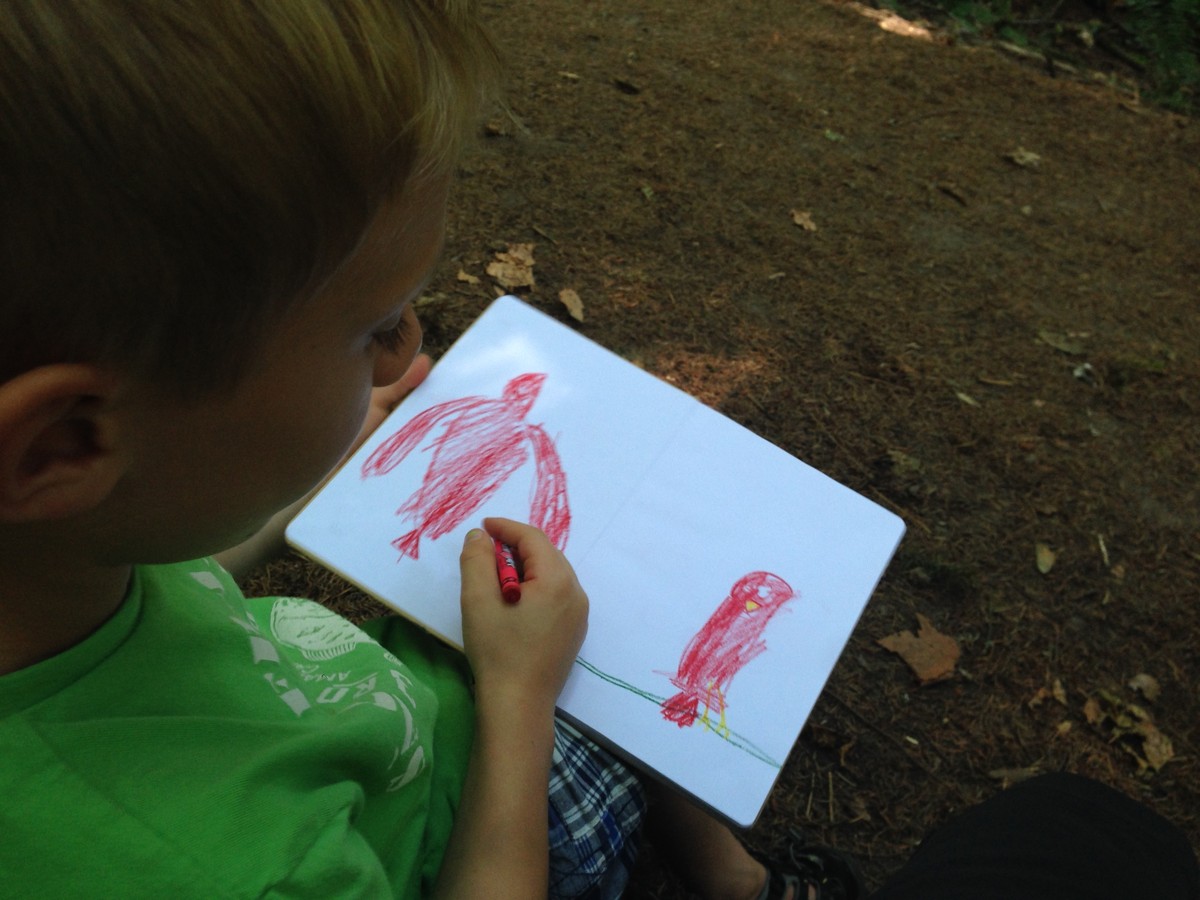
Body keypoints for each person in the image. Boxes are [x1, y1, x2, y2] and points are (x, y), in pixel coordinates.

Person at [0, 3, 816, 898]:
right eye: (375, 326)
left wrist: (305, 497)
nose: (408, 350)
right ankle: (732, 880)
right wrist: (517, 702)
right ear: (62, 446)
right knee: (619, 647)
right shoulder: (209, 868)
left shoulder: (58, 559)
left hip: (390, 702)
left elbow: (184, 574)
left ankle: (725, 874)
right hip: (494, 826)